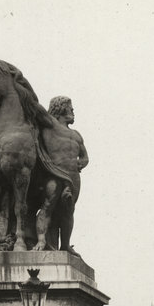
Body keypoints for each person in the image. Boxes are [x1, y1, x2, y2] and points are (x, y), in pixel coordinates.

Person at [37, 95, 89, 253]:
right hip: (54, 172)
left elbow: (85, 156)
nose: (73, 111)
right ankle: (41, 240)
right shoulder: (49, 125)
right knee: (48, 205)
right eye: (70, 108)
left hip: (73, 177)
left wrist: (82, 162)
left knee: (68, 210)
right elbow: (35, 106)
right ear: (60, 108)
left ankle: (65, 245)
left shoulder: (77, 135)